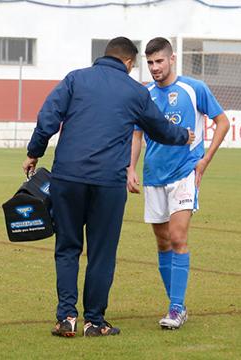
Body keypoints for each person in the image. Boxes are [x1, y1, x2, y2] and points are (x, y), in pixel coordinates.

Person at [23, 37, 195, 338]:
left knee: (67, 248)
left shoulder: (75, 79)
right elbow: (159, 128)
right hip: (108, 183)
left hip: (68, 178)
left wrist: (34, 151)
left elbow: (48, 116)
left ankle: (66, 317)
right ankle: (94, 321)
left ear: (105, 56)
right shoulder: (135, 91)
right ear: (129, 63)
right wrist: (184, 136)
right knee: (101, 253)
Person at [127, 37, 230, 330]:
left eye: (159, 61)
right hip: (154, 175)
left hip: (185, 172)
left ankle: (175, 308)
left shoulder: (194, 88)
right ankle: (178, 305)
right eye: (149, 63)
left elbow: (222, 122)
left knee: (177, 236)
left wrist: (205, 160)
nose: (154, 67)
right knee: (162, 242)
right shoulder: (144, 94)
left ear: (172, 59)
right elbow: (136, 135)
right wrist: (130, 168)